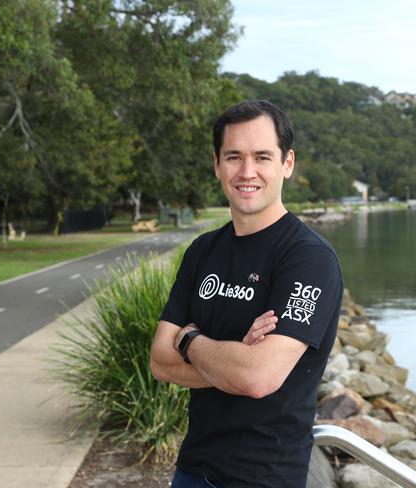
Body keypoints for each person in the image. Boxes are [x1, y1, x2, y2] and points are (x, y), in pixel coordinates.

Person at [150, 100, 343, 488]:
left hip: (264, 477)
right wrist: (231, 358)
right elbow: (160, 361)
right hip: (191, 472)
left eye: (262, 156)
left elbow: (257, 376)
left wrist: (189, 338)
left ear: (287, 164)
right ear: (217, 164)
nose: (247, 171)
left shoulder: (308, 259)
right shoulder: (203, 250)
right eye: (234, 156)